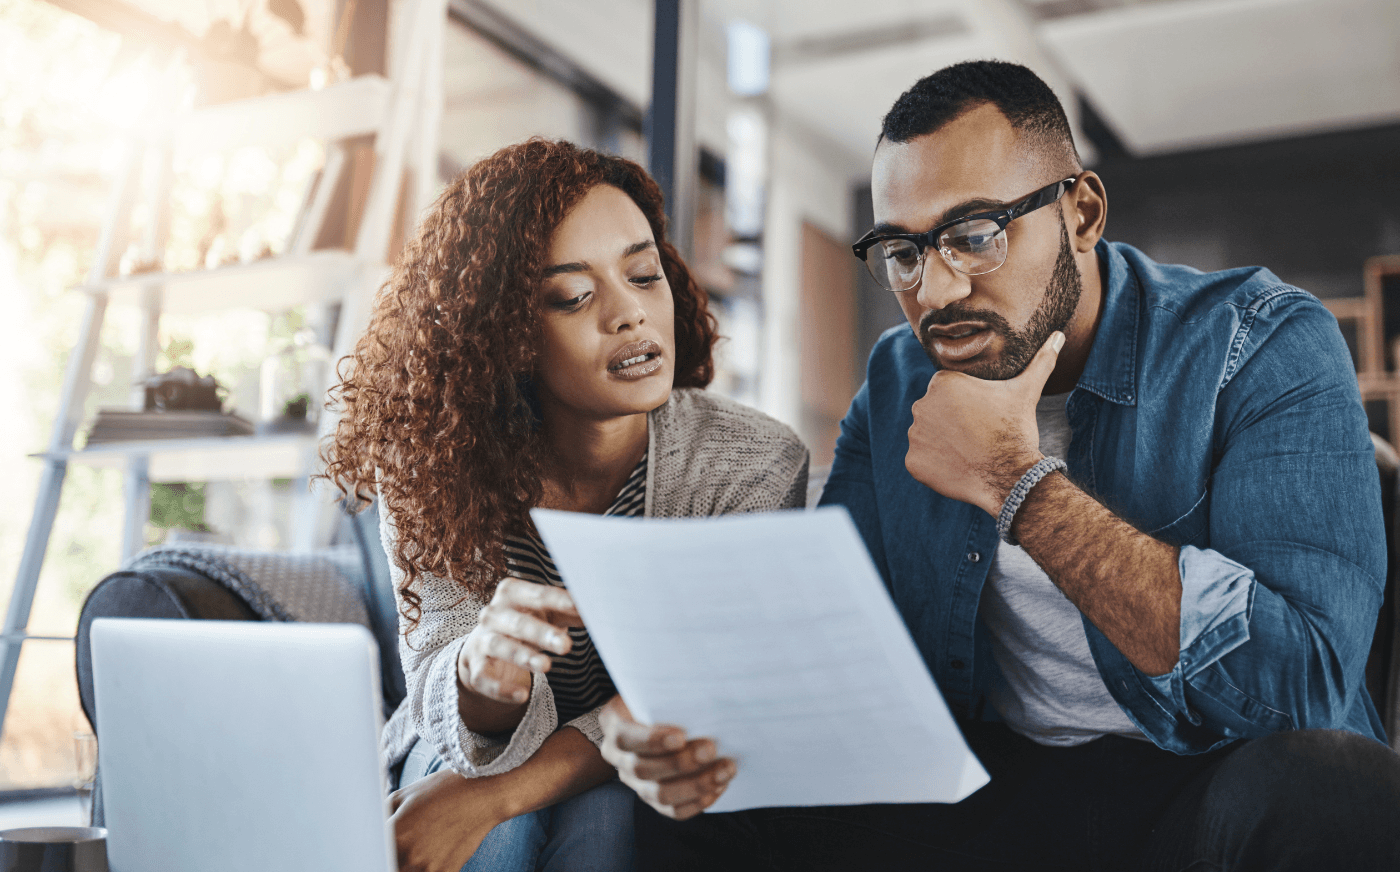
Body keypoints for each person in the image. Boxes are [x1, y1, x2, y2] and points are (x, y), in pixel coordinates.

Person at [597, 61, 1400, 870]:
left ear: (1081, 213)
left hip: (1199, 782)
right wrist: (698, 726)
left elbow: (1303, 687)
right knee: (702, 798)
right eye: (902, 251)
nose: (936, 289)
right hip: (997, 786)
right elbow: (843, 637)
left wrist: (1018, 484)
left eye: (975, 235)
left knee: (1331, 789)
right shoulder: (897, 380)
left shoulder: (1260, 343)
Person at [322, 138, 809, 872]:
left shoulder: (751, 465)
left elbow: (690, 691)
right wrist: (482, 679)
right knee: (493, 827)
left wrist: (490, 801)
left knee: (606, 824)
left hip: (634, 763)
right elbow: (435, 685)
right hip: (457, 747)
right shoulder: (432, 463)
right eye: (573, 296)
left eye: (645, 275)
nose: (629, 316)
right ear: (506, 336)